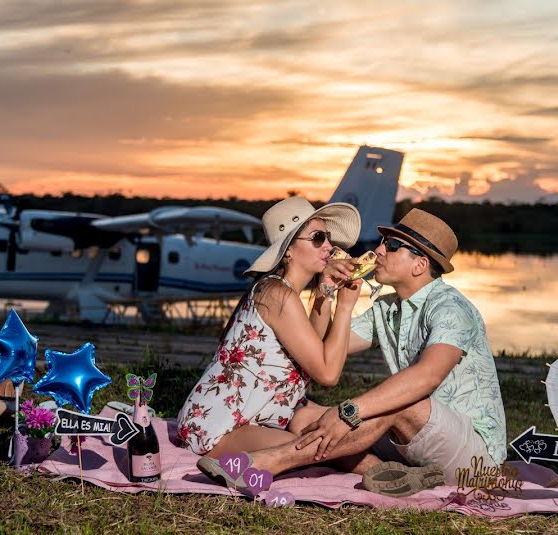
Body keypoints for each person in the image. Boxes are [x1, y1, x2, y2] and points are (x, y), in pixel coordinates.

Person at [198, 208, 507, 491]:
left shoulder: (451, 308)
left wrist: (350, 411)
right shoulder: (386, 309)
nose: (379, 250)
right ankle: (392, 475)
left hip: (475, 459)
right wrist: (326, 293)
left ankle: (269, 462)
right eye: (384, 241)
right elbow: (320, 351)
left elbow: (426, 378)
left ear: (420, 264)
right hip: (416, 442)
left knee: (401, 400)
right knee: (307, 417)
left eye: (392, 246)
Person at [176, 196, 368, 462]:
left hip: (263, 415)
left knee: (340, 431)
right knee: (316, 446)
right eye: (317, 238)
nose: (329, 246)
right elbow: (327, 373)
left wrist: (325, 293)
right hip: (218, 427)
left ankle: (393, 474)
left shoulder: (278, 290)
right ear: (288, 250)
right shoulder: (277, 294)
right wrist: (345, 308)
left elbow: (314, 349)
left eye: (328, 238)